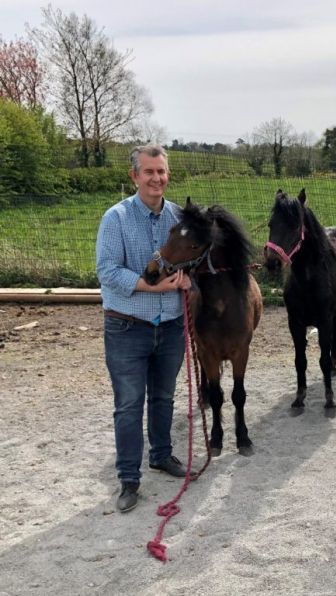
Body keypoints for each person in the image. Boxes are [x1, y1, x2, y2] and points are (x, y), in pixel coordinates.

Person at [96, 144, 194, 512]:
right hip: (127, 327)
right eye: (149, 171)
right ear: (134, 176)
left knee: (164, 398)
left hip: (170, 327)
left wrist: (188, 282)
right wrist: (148, 284)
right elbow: (107, 271)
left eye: (162, 171)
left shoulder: (180, 219)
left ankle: (162, 455)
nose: (157, 178)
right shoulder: (116, 218)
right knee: (128, 404)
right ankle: (128, 478)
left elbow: (196, 261)